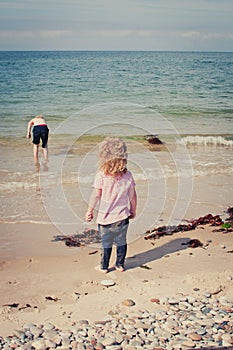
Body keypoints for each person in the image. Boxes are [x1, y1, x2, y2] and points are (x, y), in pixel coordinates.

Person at [85, 137, 137, 273]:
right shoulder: (128, 176)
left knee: (106, 243)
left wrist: (89, 210)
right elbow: (132, 196)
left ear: (103, 156)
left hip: (105, 219)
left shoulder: (101, 175)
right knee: (121, 242)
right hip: (122, 217)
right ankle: (120, 265)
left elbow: (96, 194)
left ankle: (104, 267)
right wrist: (133, 210)